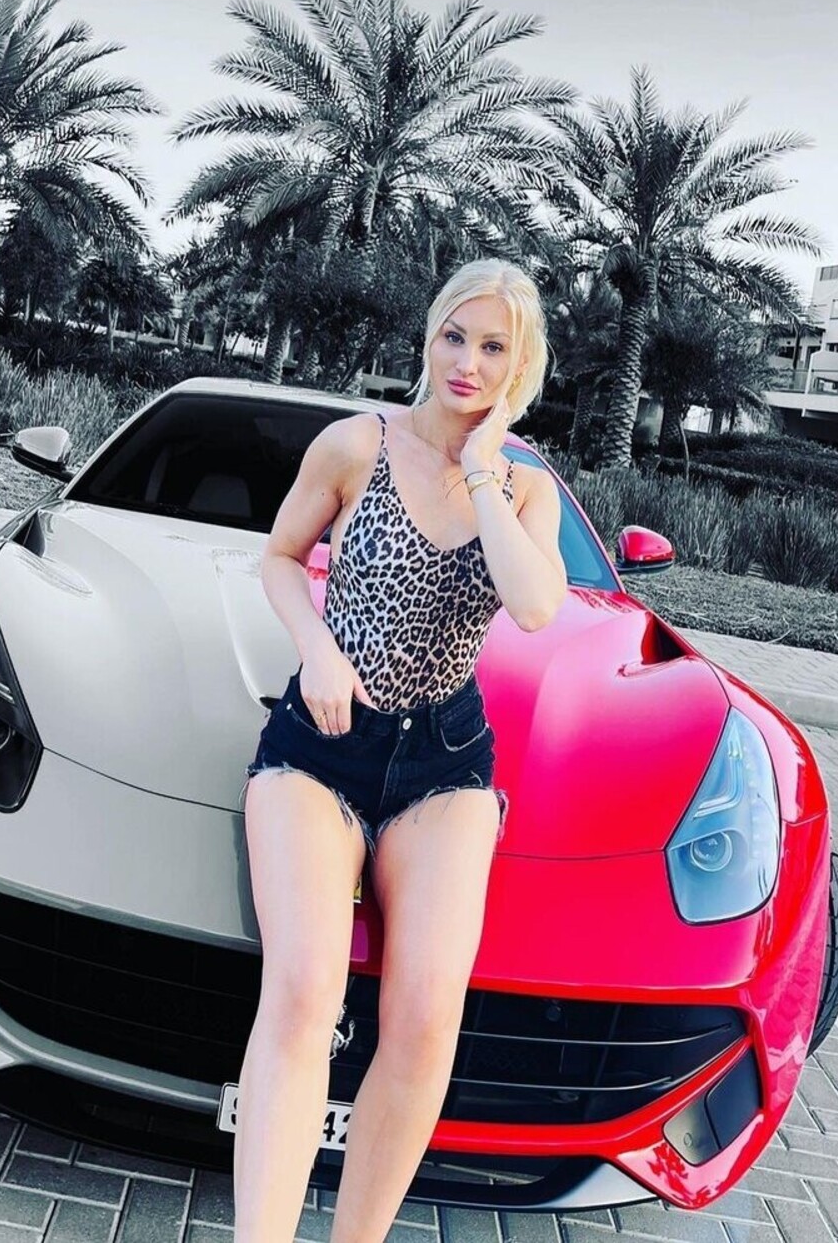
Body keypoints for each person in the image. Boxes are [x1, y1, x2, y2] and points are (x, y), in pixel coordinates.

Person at [234, 258, 568, 1242]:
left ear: (519, 366)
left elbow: (536, 606)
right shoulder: (355, 444)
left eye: (494, 347)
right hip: (320, 748)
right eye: (454, 336)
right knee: (306, 992)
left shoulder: (527, 491)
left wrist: (483, 468)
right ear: (428, 335)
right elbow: (280, 556)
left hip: (445, 765)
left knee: (425, 1022)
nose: (467, 362)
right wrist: (318, 646)